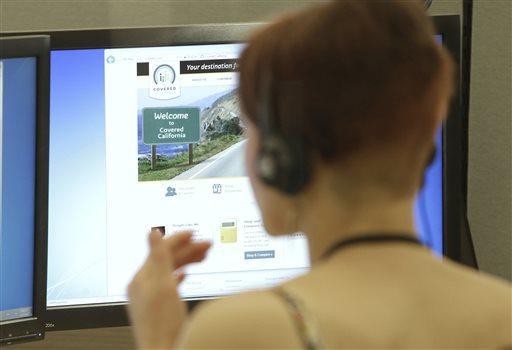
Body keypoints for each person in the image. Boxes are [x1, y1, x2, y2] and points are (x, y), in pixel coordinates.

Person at [127, 1, 512, 349]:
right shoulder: (503, 313)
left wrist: (160, 338)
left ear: (279, 162)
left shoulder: (247, 331)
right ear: (424, 149)